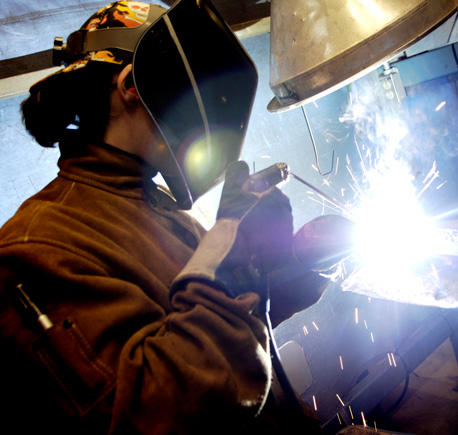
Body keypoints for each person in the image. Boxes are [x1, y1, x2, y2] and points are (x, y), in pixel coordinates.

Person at [0, 1, 326, 433]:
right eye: (191, 93)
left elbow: (230, 329)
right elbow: (158, 413)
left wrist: (299, 262)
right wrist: (230, 272)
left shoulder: (151, 202)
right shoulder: (35, 248)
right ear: (134, 84)